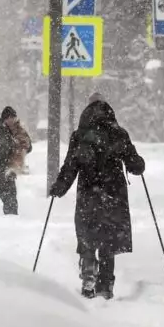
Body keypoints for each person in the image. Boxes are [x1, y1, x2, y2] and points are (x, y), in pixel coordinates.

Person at [49, 98, 145, 300]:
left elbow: (70, 167)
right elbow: (135, 165)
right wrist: (137, 163)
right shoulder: (119, 133)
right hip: (113, 195)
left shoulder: (80, 136)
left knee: (88, 236)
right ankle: (106, 286)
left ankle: (88, 277)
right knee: (108, 240)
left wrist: (59, 187)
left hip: (89, 194)